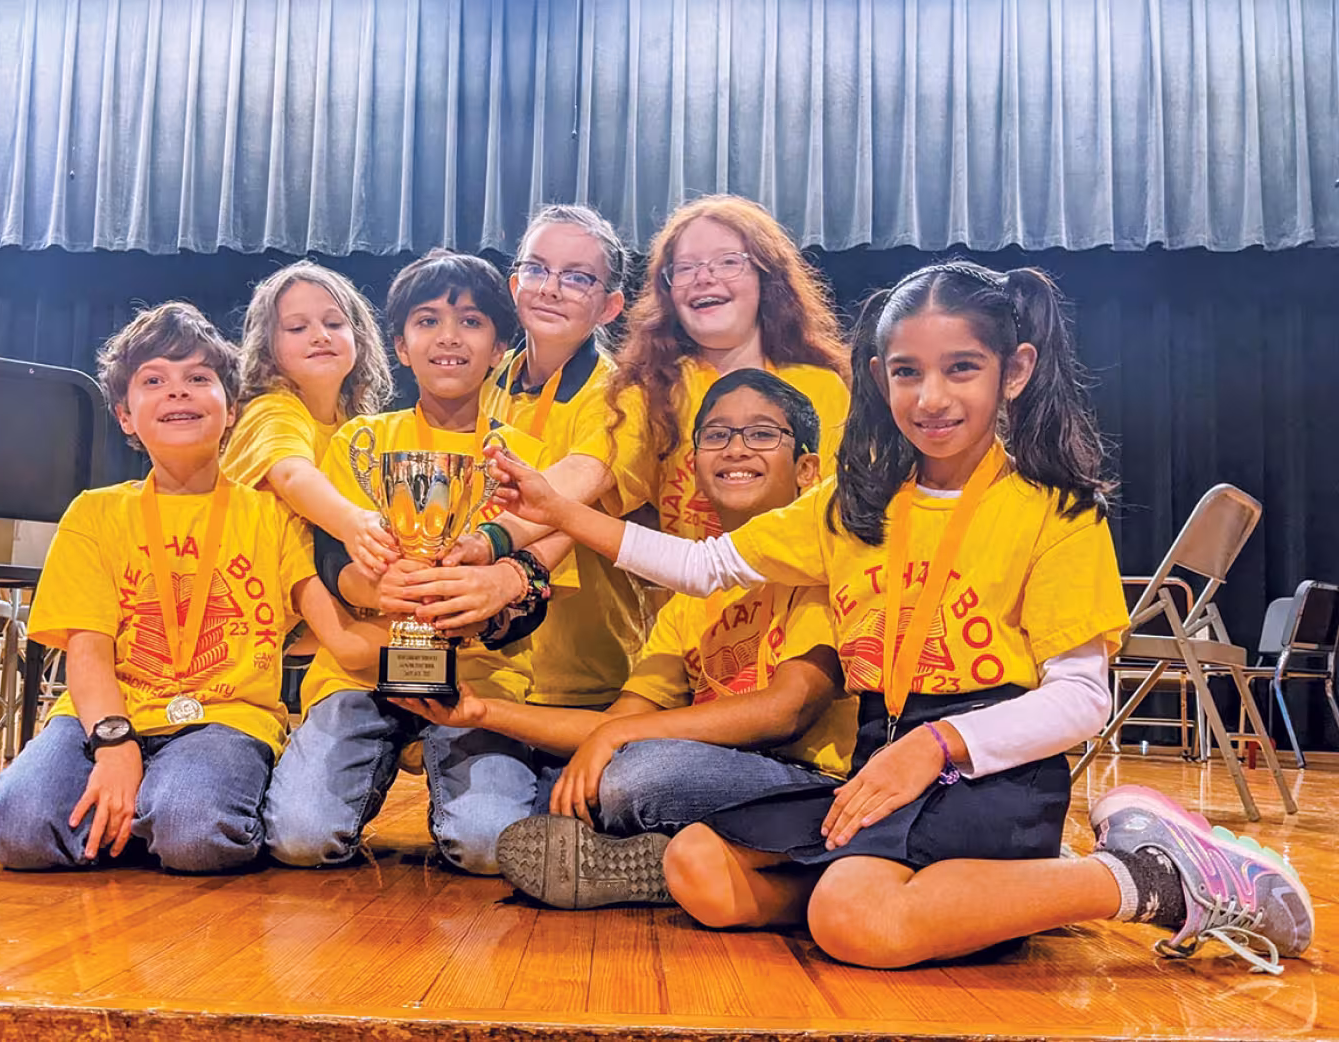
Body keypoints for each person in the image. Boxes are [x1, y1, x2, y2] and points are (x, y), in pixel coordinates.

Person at [484, 261, 1313, 975]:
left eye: (961, 368)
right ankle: (981, 897)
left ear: (1013, 370)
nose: (933, 396)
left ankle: (1151, 878)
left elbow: (1082, 701)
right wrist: (561, 508)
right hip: (881, 760)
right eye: (908, 371)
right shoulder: (854, 506)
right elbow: (703, 566)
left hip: (986, 769)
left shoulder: (1053, 511)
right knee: (699, 865)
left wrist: (939, 745)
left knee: (852, 917)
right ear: (880, 377)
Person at [402, 371, 854, 909]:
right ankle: (691, 861)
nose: (735, 448)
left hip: (812, 782)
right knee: (562, 792)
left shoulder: (821, 565)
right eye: (716, 435)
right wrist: (478, 713)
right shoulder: (688, 597)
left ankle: (716, 857)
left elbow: (786, 711)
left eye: (761, 434)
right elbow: (614, 725)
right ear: (695, 465)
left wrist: (618, 739)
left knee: (634, 777)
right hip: (710, 773)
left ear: (807, 468)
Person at [0, 302, 355, 873]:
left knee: (194, 833)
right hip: (103, 713)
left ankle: (150, 814)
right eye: (155, 381)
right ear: (125, 415)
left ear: (232, 411)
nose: (178, 393)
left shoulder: (272, 517)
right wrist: (115, 743)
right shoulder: (96, 512)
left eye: (199, 379)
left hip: (226, 717)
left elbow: (327, 632)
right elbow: (89, 648)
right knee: (18, 828)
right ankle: (140, 812)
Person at [262, 250, 554, 875]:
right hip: (361, 679)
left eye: (471, 322)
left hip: (479, 677)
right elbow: (330, 554)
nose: (448, 337)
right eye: (427, 321)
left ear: (502, 347)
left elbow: (535, 580)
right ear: (398, 345)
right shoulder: (360, 442)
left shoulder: (524, 457)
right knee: (299, 840)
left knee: (487, 849)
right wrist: (375, 581)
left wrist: (479, 601)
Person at [429, 195, 852, 608]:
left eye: (728, 262)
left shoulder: (821, 388)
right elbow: (583, 495)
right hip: (686, 637)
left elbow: (840, 530)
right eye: (686, 267)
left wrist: (505, 561)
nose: (705, 277)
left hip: (799, 627)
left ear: (767, 275)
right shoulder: (655, 388)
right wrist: (482, 548)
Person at [399, 206, 649, 713]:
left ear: (611, 306)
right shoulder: (485, 382)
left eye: (578, 278)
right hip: (483, 666)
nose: (551, 288)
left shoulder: (626, 395)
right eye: (537, 268)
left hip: (582, 679)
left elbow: (576, 491)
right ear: (515, 286)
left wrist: (490, 547)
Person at [221, 261, 398, 577]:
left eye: (334, 324)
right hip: (248, 600)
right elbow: (293, 476)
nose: (320, 336)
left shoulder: (353, 422)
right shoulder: (271, 410)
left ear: (359, 337)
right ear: (267, 347)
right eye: (297, 328)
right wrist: (354, 523)